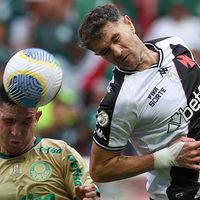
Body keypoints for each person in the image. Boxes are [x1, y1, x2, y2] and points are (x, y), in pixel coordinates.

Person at [78, 3, 200, 200]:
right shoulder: (118, 101)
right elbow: (100, 169)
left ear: (129, 24)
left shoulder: (174, 44)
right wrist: (166, 158)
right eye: (106, 51)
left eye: (116, 39)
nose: (117, 51)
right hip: (183, 194)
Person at [0, 81, 100, 200]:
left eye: (25, 122)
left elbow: (91, 194)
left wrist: (90, 197)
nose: (16, 132)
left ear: (36, 118)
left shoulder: (60, 154)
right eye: (9, 122)